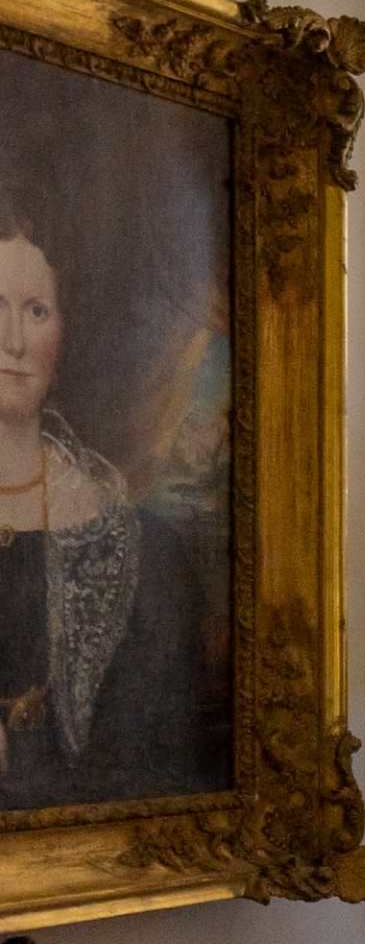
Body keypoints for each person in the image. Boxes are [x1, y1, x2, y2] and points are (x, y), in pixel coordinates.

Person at [0, 211, 214, 805]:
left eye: (36, 311)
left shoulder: (140, 547)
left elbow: (155, 765)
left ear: (63, 335)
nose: (13, 342)